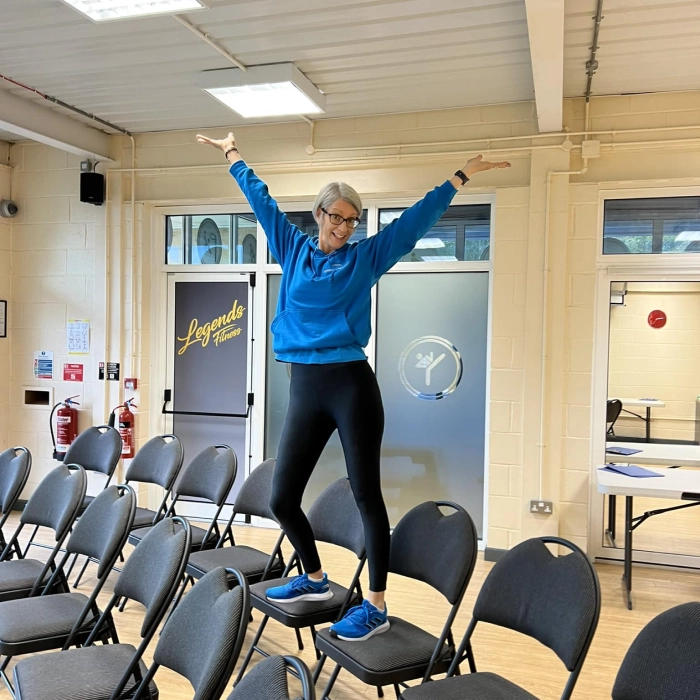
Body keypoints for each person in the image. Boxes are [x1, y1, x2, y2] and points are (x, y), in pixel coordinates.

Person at [197, 131, 510, 642]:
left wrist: (460, 176)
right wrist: (233, 154)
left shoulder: (364, 258)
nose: (344, 226)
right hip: (305, 384)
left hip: (350, 386)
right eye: (336, 216)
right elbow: (260, 199)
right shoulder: (292, 248)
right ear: (318, 214)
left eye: (351, 219)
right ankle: (315, 579)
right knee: (281, 498)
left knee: (367, 495)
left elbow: (411, 225)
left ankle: (377, 604)